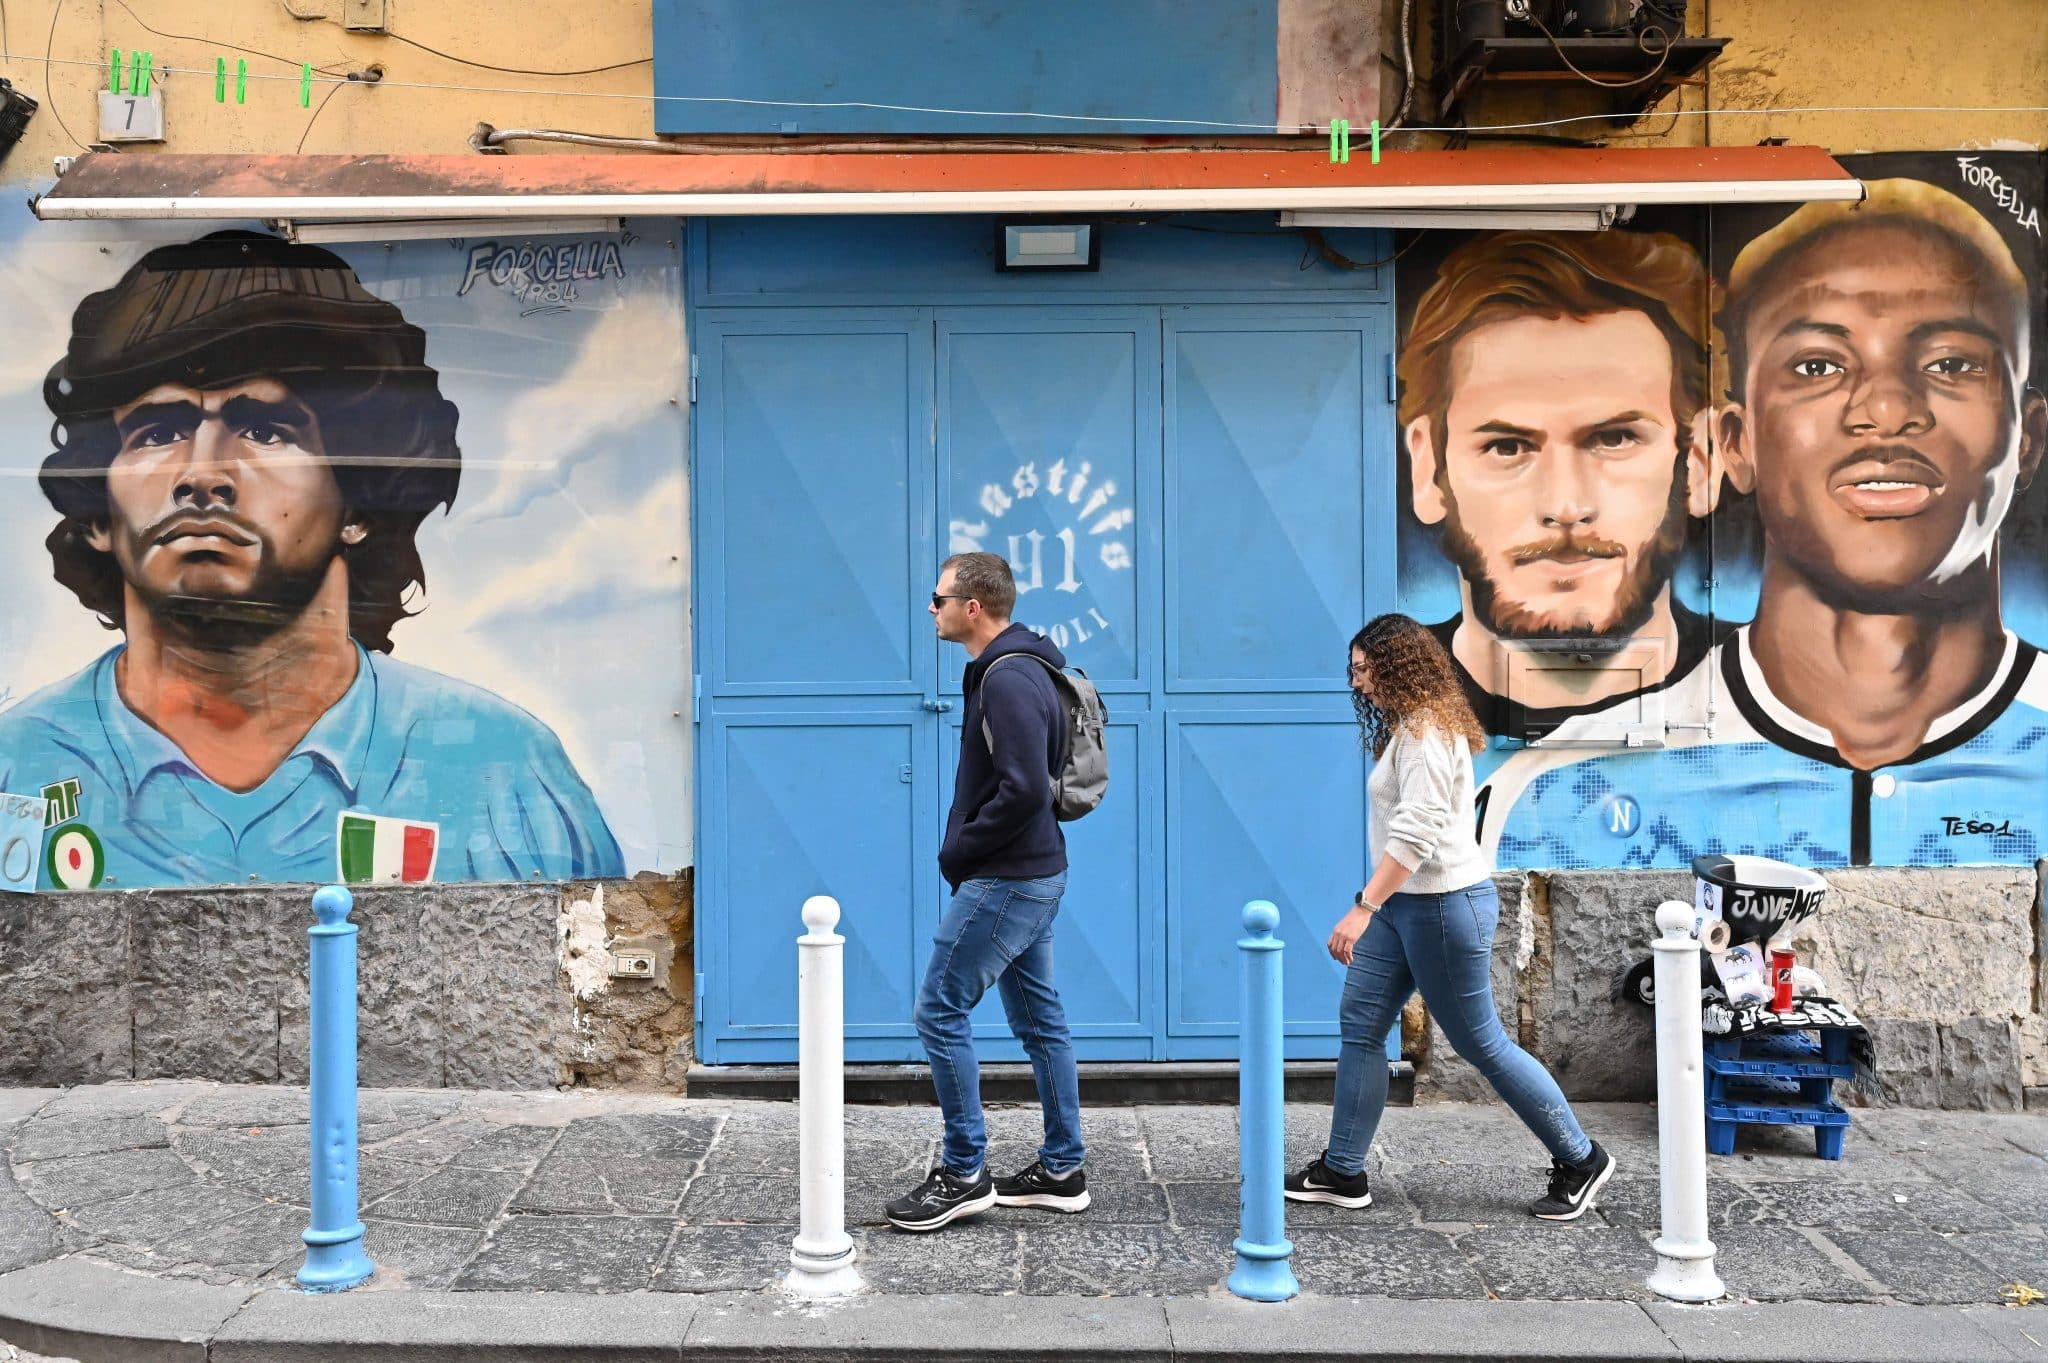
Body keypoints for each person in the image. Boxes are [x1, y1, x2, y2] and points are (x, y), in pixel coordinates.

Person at [0, 230, 623, 889]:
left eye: (264, 429)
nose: (203, 474)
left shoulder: (503, 773)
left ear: (358, 501)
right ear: (97, 514)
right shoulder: (18, 768)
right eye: (158, 432)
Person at [1476, 179, 2048, 869]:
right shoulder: (1551, 801)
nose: (1888, 409)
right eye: (1819, 365)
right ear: (1737, 444)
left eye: (1951, 363)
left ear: (2027, 437)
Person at [1286, 614, 1615, 1220]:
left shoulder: (1426, 732)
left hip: (1440, 907)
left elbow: (1417, 834)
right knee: (1361, 1024)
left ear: (1398, 666)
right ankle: (1343, 1170)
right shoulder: (1410, 726)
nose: (1357, 683)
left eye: (1364, 669)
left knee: (1479, 1041)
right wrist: (1380, 905)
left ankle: (1580, 1157)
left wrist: (1363, 908)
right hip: (1404, 906)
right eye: (1354, 671)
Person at [1399, 231, 1727, 741]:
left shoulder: (1779, 694)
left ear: (1701, 463)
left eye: (1615, 439)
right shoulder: (1390, 697)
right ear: (1427, 469)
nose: (1566, 506)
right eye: (1508, 447)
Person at [884, 552, 1088, 1232]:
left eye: (938, 598)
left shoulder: (1007, 678)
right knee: (1039, 1021)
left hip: (1007, 877)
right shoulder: (1021, 668)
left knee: (939, 1010)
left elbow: (1025, 789)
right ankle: (1062, 1168)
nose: (932, 608)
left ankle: (964, 1171)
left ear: (973, 607)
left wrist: (963, 846)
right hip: (1033, 871)